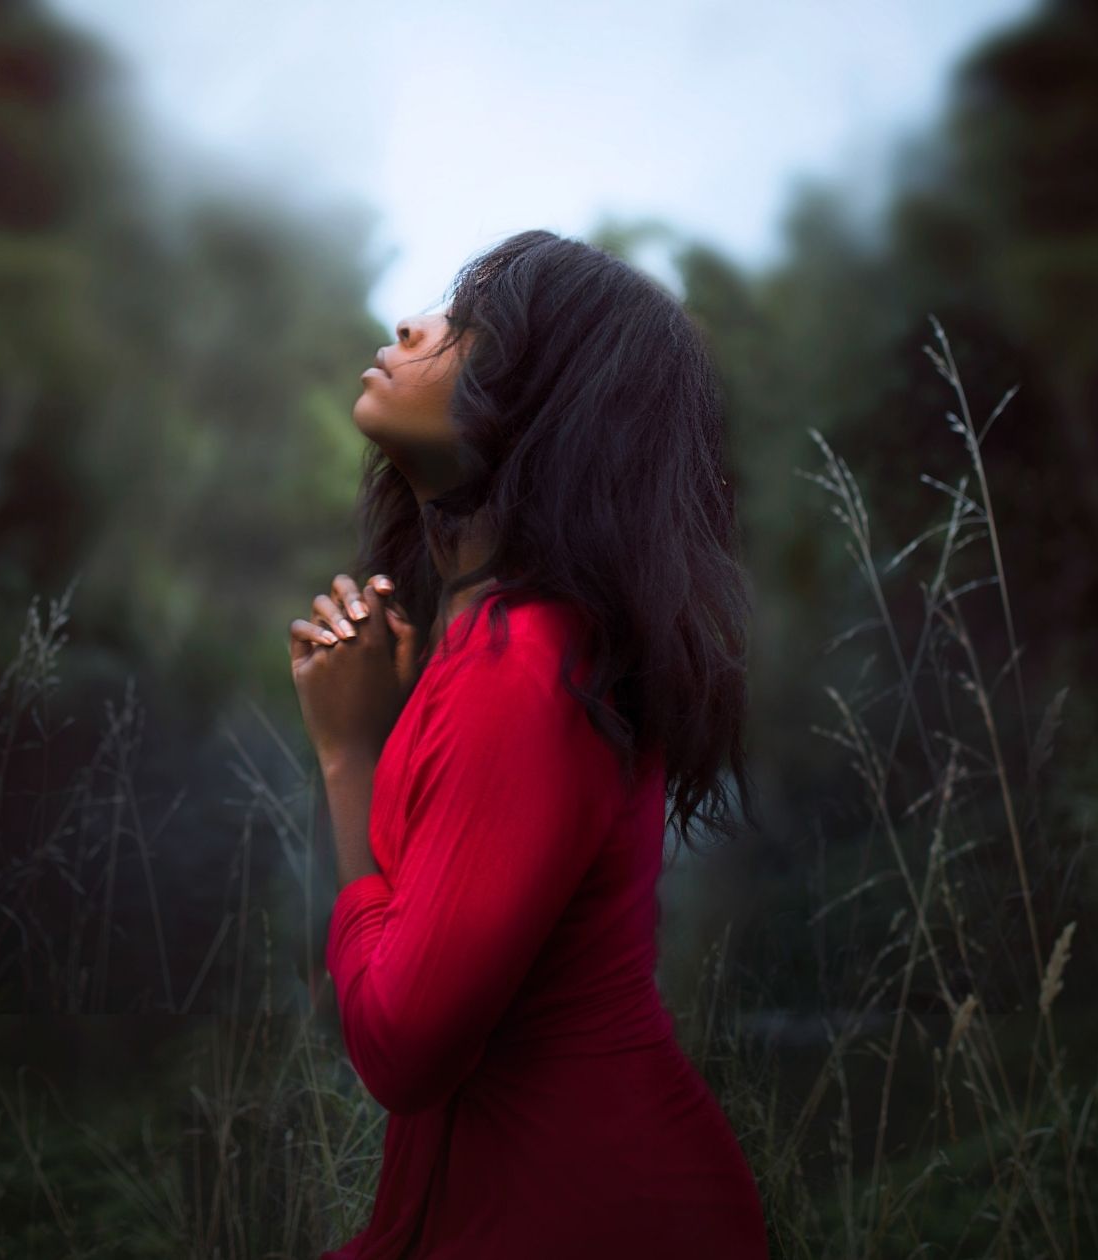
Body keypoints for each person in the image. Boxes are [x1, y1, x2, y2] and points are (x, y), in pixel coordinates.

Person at [288, 229, 767, 1255]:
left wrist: (345, 757)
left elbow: (404, 1048)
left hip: (583, 1214)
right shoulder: (501, 651)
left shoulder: (524, 672)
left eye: (468, 330)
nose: (411, 325)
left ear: (546, 406)